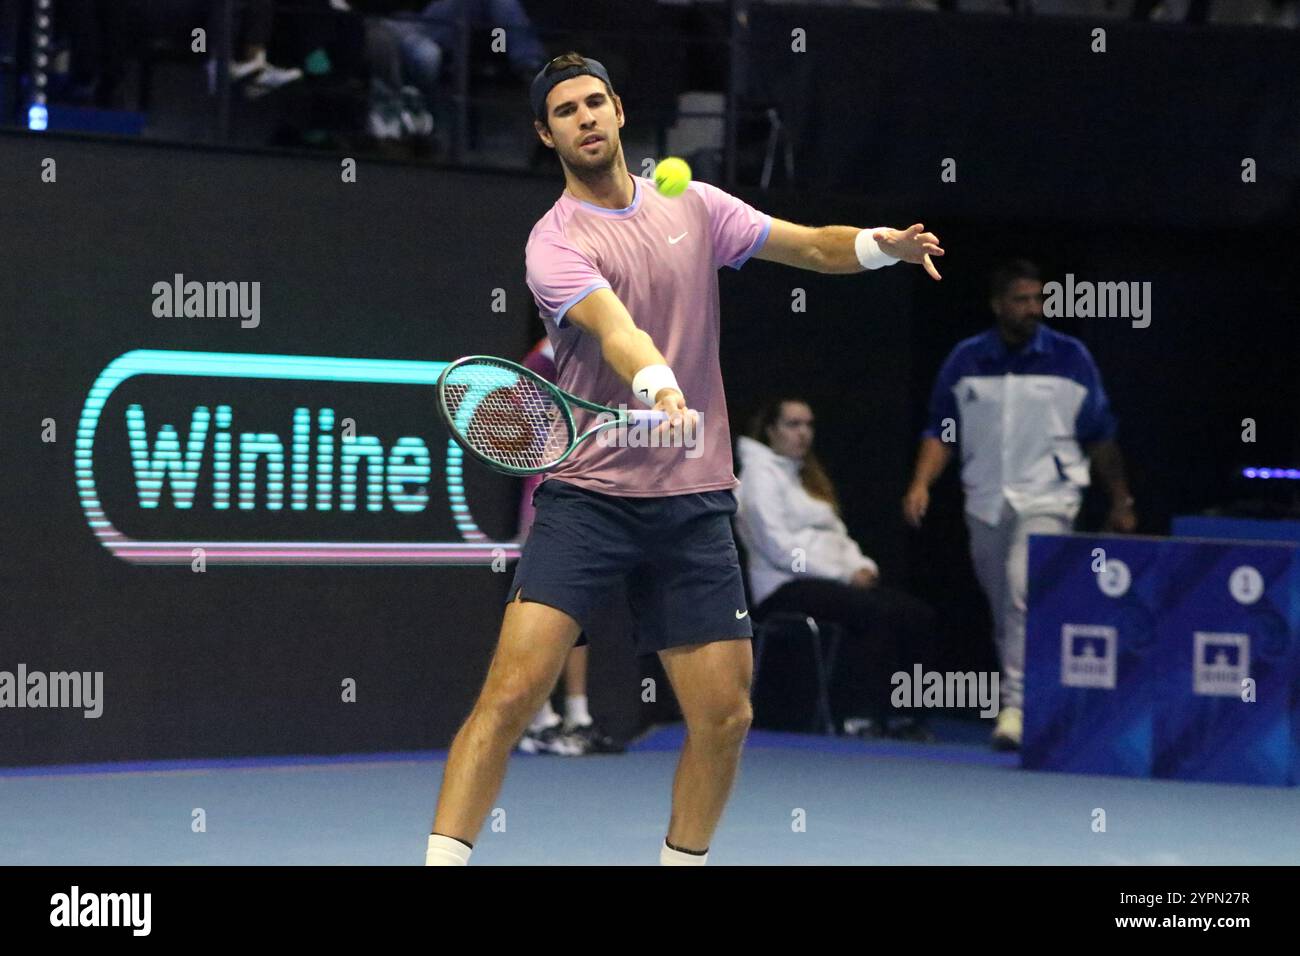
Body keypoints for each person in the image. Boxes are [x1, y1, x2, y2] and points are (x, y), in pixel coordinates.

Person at [425, 51, 944, 866]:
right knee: (512, 693)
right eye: (566, 111)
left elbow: (809, 247)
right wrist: (660, 383)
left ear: (620, 111)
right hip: (588, 501)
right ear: (544, 132)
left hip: (692, 503)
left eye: (596, 102)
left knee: (726, 717)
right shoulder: (553, 241)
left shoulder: (695, 205)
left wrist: (880, 247)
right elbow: (616, 328)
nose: (586, 118)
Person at [902, 259, 1135, 752]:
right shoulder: (966, 360)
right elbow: (941, 429)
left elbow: (1100, 435)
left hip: (1050, 497)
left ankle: (1017, 709)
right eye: (1022, 300)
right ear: (998, 305)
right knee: (1005, 605)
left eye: (1039, 299)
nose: (1033, 309)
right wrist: (922, 483)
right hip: (985, 501)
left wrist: (1121, 499)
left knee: (1021, 591)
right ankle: (1034, 703)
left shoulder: (1071, 357)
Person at [736, 398, 938, 741]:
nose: (803, 433)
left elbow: (838, 536)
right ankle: (858, 714)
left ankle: (906, 717)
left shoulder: (808, 479)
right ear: (771, 430)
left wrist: (861, 566)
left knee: (916, 615)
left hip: (829, 582)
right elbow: (779, 549)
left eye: (809, 425)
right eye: (793, 424)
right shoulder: (757, 477)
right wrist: (844, 576)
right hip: (783, 587)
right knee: (870, 611)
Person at [515, 337, 625, 757]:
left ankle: (577, 717)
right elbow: (518, 405)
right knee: (541, 605)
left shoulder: (615, 345)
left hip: (588, 487)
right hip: (547, 492)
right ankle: (539, 719)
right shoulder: (549, 351)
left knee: (577, 607)